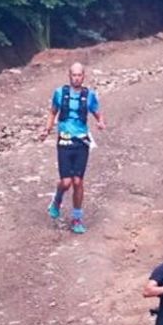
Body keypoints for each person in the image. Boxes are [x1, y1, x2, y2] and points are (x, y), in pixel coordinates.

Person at [39, 62, 106, 234]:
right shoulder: (60, 93)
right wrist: (47, 129)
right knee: (66, 182)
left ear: (83, 76)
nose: (76, 78)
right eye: (74, 75)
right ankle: (57, 199)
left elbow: (97, 112)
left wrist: (100, 121)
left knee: (78, 182)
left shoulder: (90, 95)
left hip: (81, 141)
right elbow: (53, 112)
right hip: (64, 140)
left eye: (79, 75)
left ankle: (77, 218)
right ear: (69, 76)